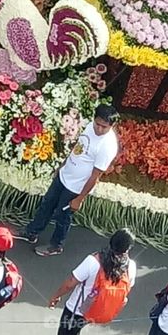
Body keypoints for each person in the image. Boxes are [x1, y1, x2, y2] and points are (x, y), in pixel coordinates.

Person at [15, 104, 119, 256]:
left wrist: (80, 199)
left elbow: (95, 176)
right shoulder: (90, 127)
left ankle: (56, 245)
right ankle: (31, 232)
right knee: (46, 205)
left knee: (63, 217)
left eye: (104, 127)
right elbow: (78, 147)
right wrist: (63, 165)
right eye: (97, 124)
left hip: (75, 188)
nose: (99, 129)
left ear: (112, 125)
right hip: (64, 176)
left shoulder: (108, 146)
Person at [49, 228, 137, 335]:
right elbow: (128, 287)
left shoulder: (93, 261)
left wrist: (55, 296)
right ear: (128, 248)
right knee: (74, 334)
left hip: (78, 311)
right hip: (99, 309)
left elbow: (70, 283)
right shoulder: (131, 266)